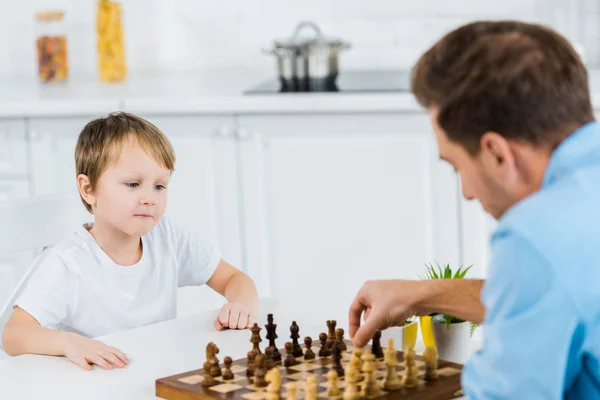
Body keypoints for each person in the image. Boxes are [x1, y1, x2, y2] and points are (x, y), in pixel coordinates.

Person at [348, 20, 600, 399]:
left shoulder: (537, 234)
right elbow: (560, 299)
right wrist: (421, 295)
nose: (465, 192)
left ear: (497, 153)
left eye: (456, 166)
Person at [1, 112, 259, 371]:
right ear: (88, 189)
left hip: (154, 374)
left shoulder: (167, 237)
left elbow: (234, 279)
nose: (150, 198)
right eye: (133, 184)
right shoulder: (68, 263)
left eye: (160, 186)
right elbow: (13, 335)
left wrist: (241, 303)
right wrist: (70, 344)